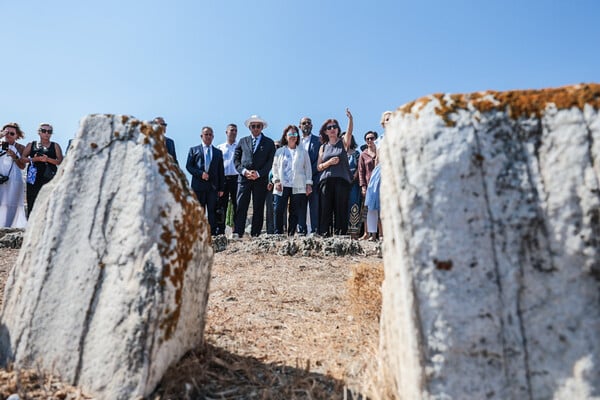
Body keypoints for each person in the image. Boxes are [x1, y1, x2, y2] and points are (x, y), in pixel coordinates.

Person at [233, 115, 276, 238]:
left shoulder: (269, 143)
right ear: (249, 127)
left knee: (258, 207)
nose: (256, 128)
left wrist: (258, 173)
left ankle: (256, 233)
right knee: (241, 205)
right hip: (244, 179)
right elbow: (236, 160)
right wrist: (244, 171)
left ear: (262, 127)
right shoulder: (242, 141)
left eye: (258, 126)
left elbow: (270, 162)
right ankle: (238, 232)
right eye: (253, 126)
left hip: (260, 180)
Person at [316, 108, 354, 236]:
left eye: (335, 126)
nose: (332, 129)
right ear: (325, 132)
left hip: (341, 181)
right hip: (326, 181)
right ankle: (324, 234)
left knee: (341, 209)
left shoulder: (343, 143)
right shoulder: (323, 147)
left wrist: (350, 119)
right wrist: (329, 163)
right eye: (329, 127)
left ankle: (340, 236)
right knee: (326, 209)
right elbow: (319, 167)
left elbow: (349, 132)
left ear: (338, 129)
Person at [271, 125, 312, 235]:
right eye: (290, 134)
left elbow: (308, 169)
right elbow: (275, 167)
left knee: (294, 211)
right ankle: (278, 233)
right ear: (285, 136)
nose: (293, 136)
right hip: (282, 184)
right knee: (278, 209)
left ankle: (291, 233)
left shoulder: (303, 152)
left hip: (297, 184)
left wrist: (308, 184)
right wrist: (276, 180)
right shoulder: (279, 151)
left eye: (295, 134)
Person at [186, 126, 225, 235]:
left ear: (213, 136)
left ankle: (212, 234)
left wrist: (221, 187)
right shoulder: (193, 150)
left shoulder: (218, 152)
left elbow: (220, 171)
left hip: (213, 187)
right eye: (206, 134)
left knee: (212, 211)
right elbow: (189, 166)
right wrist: (200, 174)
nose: (208, 136)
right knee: (199, 211)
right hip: (198, 187)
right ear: (201, 136)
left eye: (210, 134)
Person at [22, 123, 63, 217]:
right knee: (32, 198)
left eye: (49, 131)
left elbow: (60, 161)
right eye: (44, 131)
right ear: (39, 132)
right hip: (34, 176)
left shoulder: (55, 146)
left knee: (49, 198)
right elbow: (23, 158)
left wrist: (47, 159)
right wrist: (34, 159)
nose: (46, 133)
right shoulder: (31, 144)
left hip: (49, 175)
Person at [0, 123, 27, 227]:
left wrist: (14, 156)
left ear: (17, 135)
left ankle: (9, 226)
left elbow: (22, 166)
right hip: (1, 177)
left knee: (12, 204)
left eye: (12, 133)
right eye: (6, 132)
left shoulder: (21, 147)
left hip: (14, 180)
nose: (9, 135)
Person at [297, 117, 321, 235]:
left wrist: (310, 177)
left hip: (314, 178)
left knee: (314, 205)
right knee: (300, 206)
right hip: (298, 179)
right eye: (304, 123)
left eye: (308, 123)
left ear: (312, 126)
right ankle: (301, 231)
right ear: (299, 126)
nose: (306, 125)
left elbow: (319, 160)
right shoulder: (295, 142)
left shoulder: (319, 141)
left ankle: (315, 231)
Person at [217, 123, 239, 235]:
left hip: (236, 178)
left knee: (236, 204)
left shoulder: (239, 146)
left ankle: (236, 230)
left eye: (235, 130)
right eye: (232, 130)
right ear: (226, 132)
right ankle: (220, 230)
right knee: (221, 205)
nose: (234, 132)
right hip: (223, 178)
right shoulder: (220, 147)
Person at [358, 130, 378, 240]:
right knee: (366, 209)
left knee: (378, 209)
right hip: (368, 184)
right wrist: (363, 186)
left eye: (372, 138)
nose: (370, 140)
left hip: (380, 184)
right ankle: (366, 233)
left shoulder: (380, 152)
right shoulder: (363, 155)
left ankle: (377, 235)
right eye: (367, 139)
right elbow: (361, 171)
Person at [343, 133, 361, 239]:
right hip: (342, 183)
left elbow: (359, 167)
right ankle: (342, 231)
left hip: (353, 184)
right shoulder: (339, 153)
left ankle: (353, 233)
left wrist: (353, 177)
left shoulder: (356, 153)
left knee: (354, 206)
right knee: (342, 206)